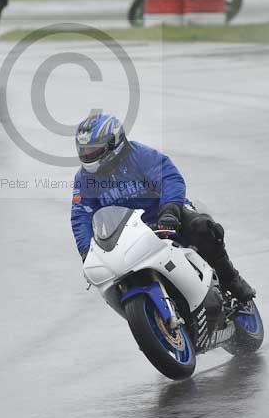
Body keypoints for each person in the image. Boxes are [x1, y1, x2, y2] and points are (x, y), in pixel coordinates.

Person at [71, 112, 255, 303]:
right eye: (84, 151)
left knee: (203, 228)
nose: (88, 155)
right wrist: (86, 252)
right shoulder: (84, 179)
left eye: (93, 150)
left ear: (113, 142)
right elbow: (80, 215)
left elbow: (169, 178)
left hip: (165, 217)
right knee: (109, 277)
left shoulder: (141, 156)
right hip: (126, 236)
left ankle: (231, 279)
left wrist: (169, 210)